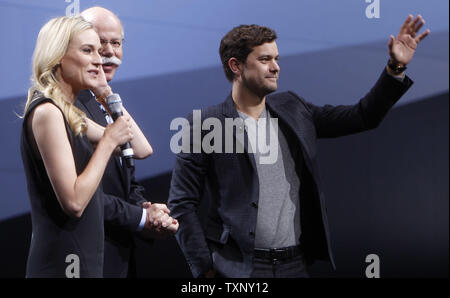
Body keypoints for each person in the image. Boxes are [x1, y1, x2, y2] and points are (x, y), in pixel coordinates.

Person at [167, 15, 430, 278]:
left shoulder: (293, 107)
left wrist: (395, 67)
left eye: (276, 59)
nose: (275, 67)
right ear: (236, 66)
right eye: (264, 59)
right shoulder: (204, 124)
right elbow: (182, 203)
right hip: (237, 269)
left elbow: (363, 116)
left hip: (295, 265)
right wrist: (203, 268)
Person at [20, 16, 137, 277]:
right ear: (58, 56)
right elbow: (73, 202)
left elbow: (136, 147)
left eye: (99, 51)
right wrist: (107, 142)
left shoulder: (70, 114)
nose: (100, 59)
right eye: (87, 50)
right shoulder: (48, 112)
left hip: (83, 259)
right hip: (62, 263)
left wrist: (106, 94)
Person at [76, 6, 178, 278]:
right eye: (98, 44)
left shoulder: (99, 103)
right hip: (83, 255)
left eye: (116, 43)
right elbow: (78, 195)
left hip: (117, 253)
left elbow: (142, 151)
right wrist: (142, 219)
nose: (108, 52)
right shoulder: (68, 106)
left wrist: (145, 207)